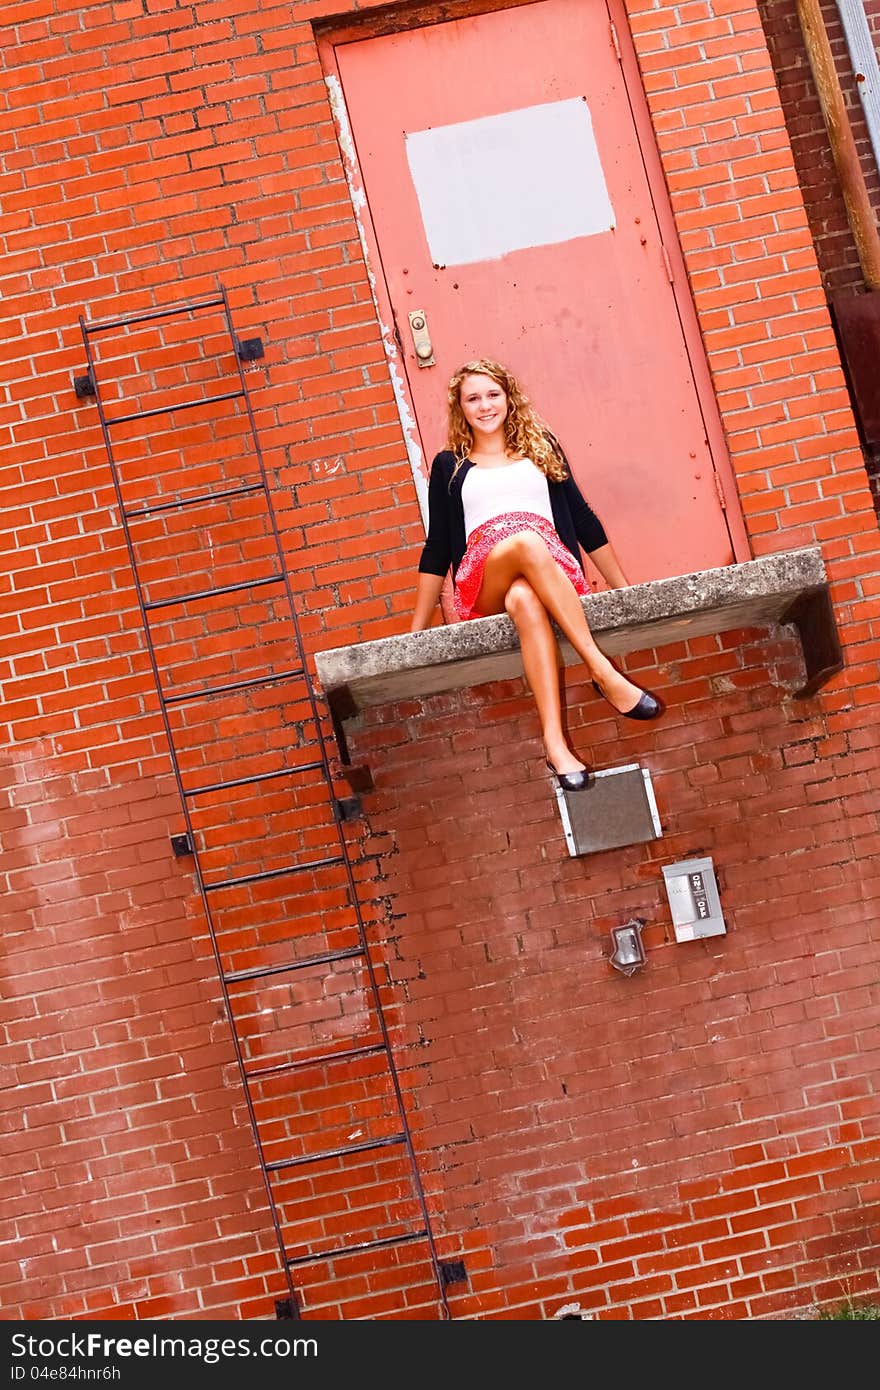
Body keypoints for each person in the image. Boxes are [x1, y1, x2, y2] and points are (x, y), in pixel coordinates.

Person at [410, 358, 662, 791]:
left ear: (509, 398)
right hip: (482, 580)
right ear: (460, 408)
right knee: (525, 541)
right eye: (473, 398)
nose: (485, 406)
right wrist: (416, 631)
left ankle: (555, 745)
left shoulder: (540, 447)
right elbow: (436, 548)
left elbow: (583, 520)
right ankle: (601, 670)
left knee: (525, 599)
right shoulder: (450, 466)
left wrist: (624, 590)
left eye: (493, 394)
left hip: (549, 571)